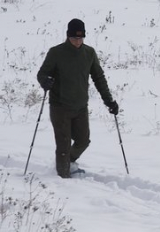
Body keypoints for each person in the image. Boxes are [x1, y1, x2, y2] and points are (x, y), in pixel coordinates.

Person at [36, 18, 118, 178]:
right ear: (68, 36)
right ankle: (63, 178)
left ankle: (69, 162)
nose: (78, 41)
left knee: (83, 140)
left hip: (80, 106)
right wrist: (45, 81)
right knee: (63, 145)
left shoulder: (89, 53)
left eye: (81, 38)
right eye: (74, 38)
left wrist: (109, 100)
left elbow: (99, 78)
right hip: (60, 106)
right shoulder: (56, 52)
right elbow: (42, 73)